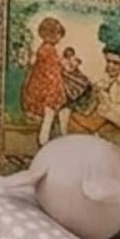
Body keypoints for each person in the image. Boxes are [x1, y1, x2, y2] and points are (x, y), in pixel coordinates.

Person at [21, 16, 71, 145]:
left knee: (58, 114)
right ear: (51, 34)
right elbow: (51, 75)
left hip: (43, 89)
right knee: (49, 116)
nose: (59, 38)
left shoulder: (45, 49)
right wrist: (57, 94)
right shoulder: (48, 50)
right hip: (46, 92)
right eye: (58, 34)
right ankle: (45, 142)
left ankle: (58, 139)